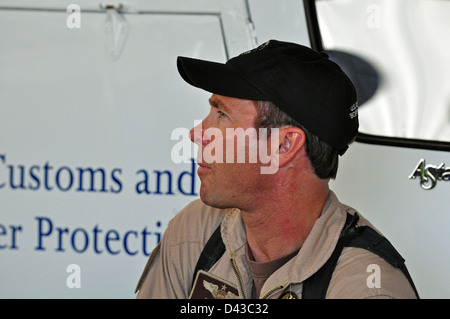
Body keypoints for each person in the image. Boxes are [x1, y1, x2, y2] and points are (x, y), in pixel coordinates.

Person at [135, 40, 418, 299]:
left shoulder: (366, 287)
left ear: (284, 145)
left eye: (222, 114)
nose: (197, 133)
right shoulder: (196, 230)